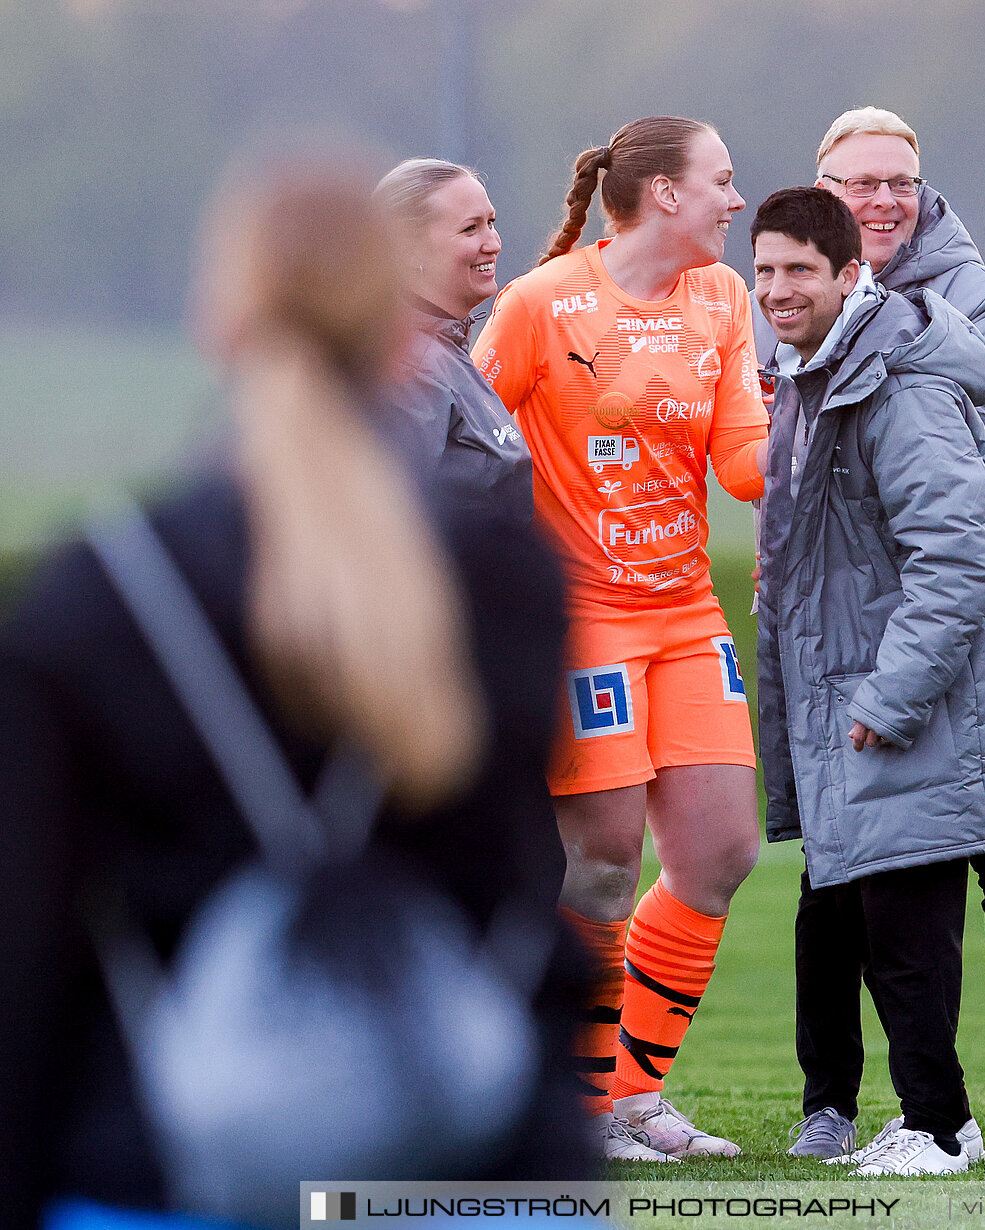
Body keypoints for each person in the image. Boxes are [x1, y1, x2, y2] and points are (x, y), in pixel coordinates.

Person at [0, 149, 586, 1229]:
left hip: (167, 1163)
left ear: (217, 320)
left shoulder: (102, 593)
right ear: (387, 319)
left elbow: (32, 957)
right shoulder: (505, 577)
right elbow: (518, 887)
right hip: (470, 1164)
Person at [777, 107, 985, 1160]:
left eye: (896, 181)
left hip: (964, 621)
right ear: (822, 191)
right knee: (833, 871)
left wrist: (881, 319)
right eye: (856, 183)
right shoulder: (791, 291)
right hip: (838, 629)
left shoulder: (972, 294)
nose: (878, 200)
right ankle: (829, 1100)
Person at [472, 116, 767, 1162]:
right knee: (600, 864)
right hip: (582, 618)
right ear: (667, 195)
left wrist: (837, 418)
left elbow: (742, 463)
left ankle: (630, 1098)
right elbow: (463, 439)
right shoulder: (542, 303)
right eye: (723, 181)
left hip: (685, 614)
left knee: (722, 852)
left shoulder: (723, 298)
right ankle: (564, 1103)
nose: (738, 200)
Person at [375, 158, 533, 528]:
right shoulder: (411, 370)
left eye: (490, 223)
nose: (493, 243)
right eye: (469, 229)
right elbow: (392, 526)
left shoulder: (444, 351)